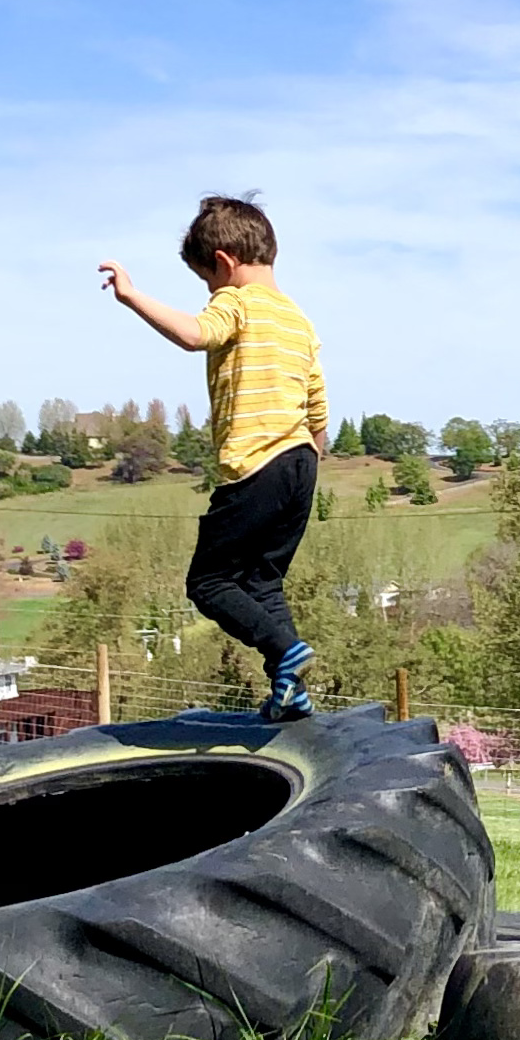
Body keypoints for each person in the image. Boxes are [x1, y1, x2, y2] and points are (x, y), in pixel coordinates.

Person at [100, 195, 328, 721]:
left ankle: (285, 651)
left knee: (209, 583)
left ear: (224, 264)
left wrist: (131, 297)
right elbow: (318, 405)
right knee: (262, 582)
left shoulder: (238, 303)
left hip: (254, 466)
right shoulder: (299, 320)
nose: (208, 293)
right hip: (302, 465)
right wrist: (310, 455)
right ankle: (290, 694)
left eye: (206, 280)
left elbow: (194, 334)